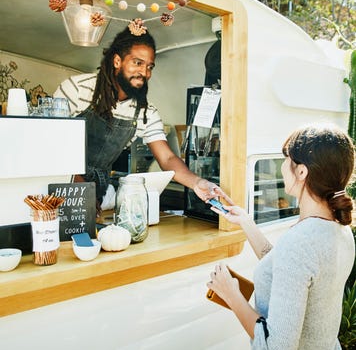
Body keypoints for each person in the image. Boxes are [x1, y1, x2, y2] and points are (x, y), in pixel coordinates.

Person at [207, 123, 355, 349]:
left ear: (302, 171)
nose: (283, 166)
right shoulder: (341, 229)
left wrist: (232, 295)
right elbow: (286, 264)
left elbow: (277, 346)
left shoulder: (300, 242)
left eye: (287, 160)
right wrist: (247, 222)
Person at [53, 25, 227, 212]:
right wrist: (78, 189)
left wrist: (198, 182)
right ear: (117, 61)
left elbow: (167, 158)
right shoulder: (76, 89)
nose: (144, 73)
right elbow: (49, 144)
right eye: (137, 63)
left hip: (98, 193)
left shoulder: (146, 113)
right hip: (56, 184)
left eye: (149, 66)